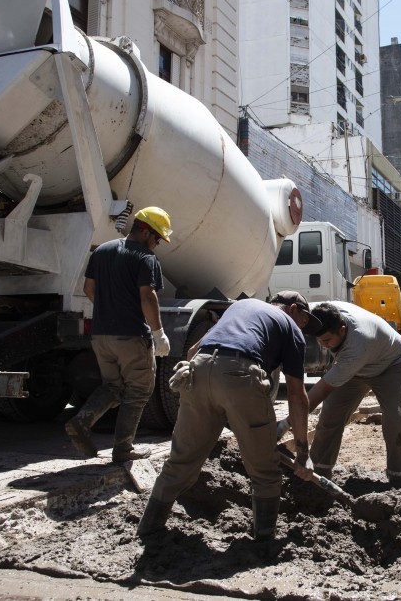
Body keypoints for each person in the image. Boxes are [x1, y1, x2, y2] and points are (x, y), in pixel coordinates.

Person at [137, 291, 320, 542]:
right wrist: (302, 454)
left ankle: (148, 530)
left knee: (180, 463)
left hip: (198, 370)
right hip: (241, 374)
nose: (304, 325)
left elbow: (192, 350)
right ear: (292, 309)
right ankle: (264, 544)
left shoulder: (240, 307)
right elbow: (298, 396)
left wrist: (212, 400)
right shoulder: (290, 327)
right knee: (265, 472)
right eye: (305, 319)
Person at [65, 206, 173, 463]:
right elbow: (148, 296)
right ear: (145, 231)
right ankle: (123, 449)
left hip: (101, 336)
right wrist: (158, 333)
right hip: (131, 336)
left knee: (113, 387)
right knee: (138, 391)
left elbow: (88, 288)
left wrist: (108, 309)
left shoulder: (102, 251)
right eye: (157, 237)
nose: (157, 244)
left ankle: (82, 420)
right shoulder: (145, 258)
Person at [303, 301, 401, 488]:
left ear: (342, 330)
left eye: (327, 341)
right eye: (320, 340)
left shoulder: (358, 343)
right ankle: (317, 474)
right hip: (357, 369)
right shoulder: (323, 311)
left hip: (391, 364)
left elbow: (320, 391)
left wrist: (287, 423)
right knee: (330, 416)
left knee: (397, 418)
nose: (324, 345)